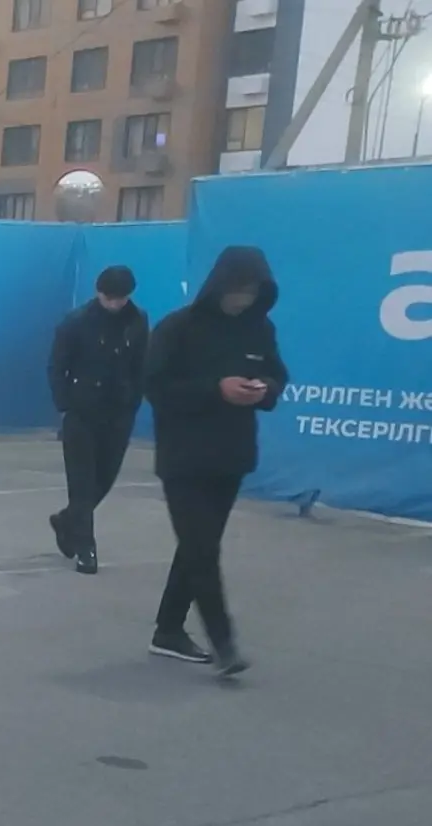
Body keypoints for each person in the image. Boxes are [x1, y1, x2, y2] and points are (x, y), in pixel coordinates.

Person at [141, 245, 287, 678]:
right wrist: (215, 389)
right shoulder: (178, 328)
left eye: (252, 291)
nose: (243, 298)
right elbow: (156, 387)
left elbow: (278, 374)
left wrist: (265, 389)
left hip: (231, 455)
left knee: (197, 547)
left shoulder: (260, 329)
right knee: (202, 549)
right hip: (184, 457)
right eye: (238, 289)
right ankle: (224, 644)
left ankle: (168, 630)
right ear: (220, 285)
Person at [47, 265, 148, 574]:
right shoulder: (76, 322)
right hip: (82, 412)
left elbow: (141, 362)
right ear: (99, 293)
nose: (115, 304)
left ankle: (67, 520)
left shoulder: (138, 320)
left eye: (121, 298)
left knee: (104, 479)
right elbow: (57, 366)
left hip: (119, 411)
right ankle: (85, 548)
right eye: (109, 298)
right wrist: (66, 405)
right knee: (81, 482)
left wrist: (135, 399)